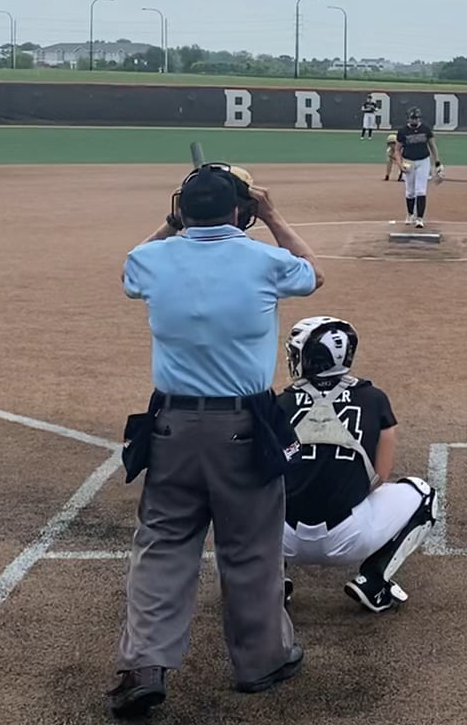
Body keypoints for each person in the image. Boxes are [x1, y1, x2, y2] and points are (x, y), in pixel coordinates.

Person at [108, 164, 325, 718]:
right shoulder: (265, 261)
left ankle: (145, 664)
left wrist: (170, 224)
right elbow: (312, 273)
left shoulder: (153, 260)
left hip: (172, 429)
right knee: (251, 548)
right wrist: (271, 214)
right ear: (239, 211)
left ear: (182, 210)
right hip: (244, 430)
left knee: (162, 546)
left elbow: (130, 268)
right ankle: (261, 661)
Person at [277, 316, 440, 614]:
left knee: (235, 492)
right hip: (351, 537)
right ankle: (373, 581)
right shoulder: (375, 398)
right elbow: (381, 475)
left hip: (281, 537)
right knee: (424, 494)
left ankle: (268, 581)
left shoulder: (279, 403)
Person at [395, 108, 441, 228]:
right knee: (410, 191)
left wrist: (437, 162)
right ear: (408, 118)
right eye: (412, 118)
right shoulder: (403, 131)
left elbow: (432, 146)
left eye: (416, 118)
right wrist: (400, 164)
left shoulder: (425, 129)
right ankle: (410, 214)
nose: (414, 120)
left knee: (421, 190)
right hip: (408, 161)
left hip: (423, 161)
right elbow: (397, 150)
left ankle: (420, 218)